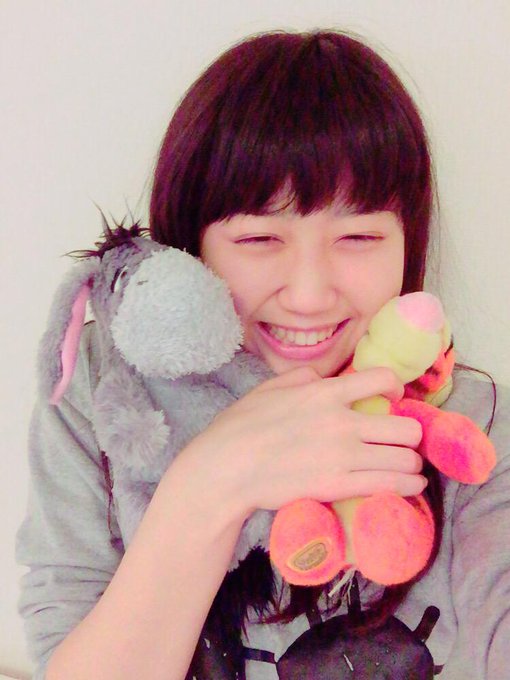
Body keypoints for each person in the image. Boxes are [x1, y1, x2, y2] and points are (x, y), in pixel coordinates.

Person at [16, 29, 509, 680]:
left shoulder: (470, 426)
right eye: (258, 239)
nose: (308, 295)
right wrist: (212, 481)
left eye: (359, 237)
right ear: (190, 250)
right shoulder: (113, 398)